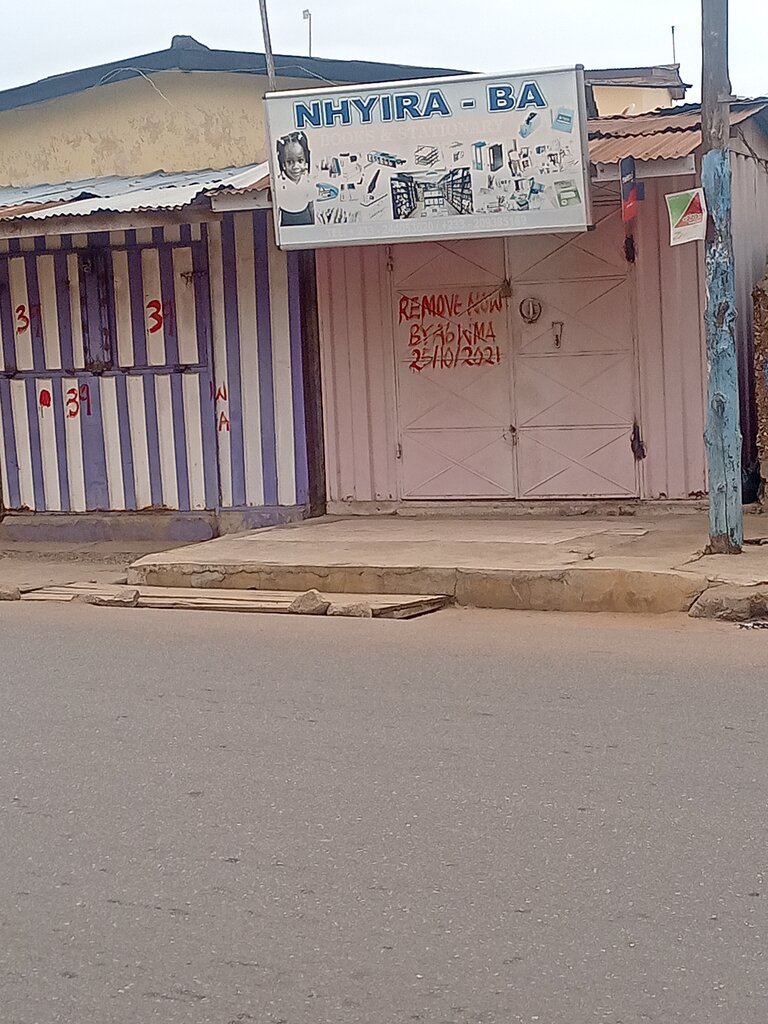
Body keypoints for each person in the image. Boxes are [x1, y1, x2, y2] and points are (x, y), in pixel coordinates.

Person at [275, 132, 315, 226]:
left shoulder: (307, 181)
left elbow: (311, 206)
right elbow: (277, 213)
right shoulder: (279, 184)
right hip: (287, 224)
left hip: (306, 221)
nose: (295, 166)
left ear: (306, 162)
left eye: (300, 161)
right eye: (290, 162)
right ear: (283, 164)